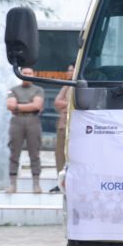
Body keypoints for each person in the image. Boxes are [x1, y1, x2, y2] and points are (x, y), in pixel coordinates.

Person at [6, 67, 45, 193]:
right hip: (17, 121)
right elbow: (10, 105)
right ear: (20, 74)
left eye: (29, 73)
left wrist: (18, 106)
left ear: (33, 75)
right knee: (14, 152)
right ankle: (12, 184)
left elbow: (37, 105)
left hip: (33, 120)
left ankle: (36, 184)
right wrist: (29, 105)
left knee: (34, 153)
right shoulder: (13, 89)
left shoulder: (38, 89)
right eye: (25, 73)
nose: (27, 75)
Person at [51, 64, 75, 193]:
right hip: (63, 124)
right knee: (60, 154)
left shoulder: (81, 85)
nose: (68, 72)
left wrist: (67, 106)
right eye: (68, 70)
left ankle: (73, 182)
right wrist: (70, 105)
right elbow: (57, 102)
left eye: (70, 70)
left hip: (77, 126)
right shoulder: (66, 85)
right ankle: (61, 183)